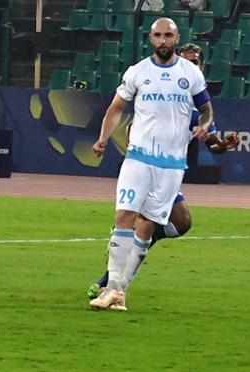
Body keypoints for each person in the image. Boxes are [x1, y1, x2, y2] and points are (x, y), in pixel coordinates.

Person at [87, 42, 239, 300]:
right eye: (187, 61)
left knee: (182, 222)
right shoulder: (160, 94)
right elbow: (132, 125)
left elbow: (212, 144)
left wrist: (224, 145)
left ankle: (122, 267)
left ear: (200, 70)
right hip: (145, 167)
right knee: (143, 225)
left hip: (170, 172)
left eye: (195, 64)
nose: (190, 67)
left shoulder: (195, 111)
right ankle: (113, 285)